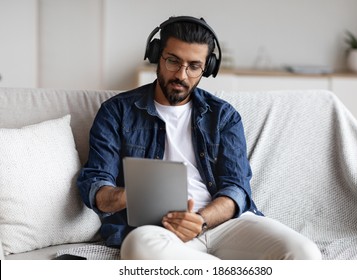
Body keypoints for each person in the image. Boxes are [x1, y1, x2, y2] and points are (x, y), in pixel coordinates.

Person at [77, 16, 322, 260]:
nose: (182, 75)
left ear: (208, 68)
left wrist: (201, 220)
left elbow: (236, 188)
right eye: (173, 61)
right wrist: (129, 195)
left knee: (305, 254)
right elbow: (96, 185)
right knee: (137, 248)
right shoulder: (116, 112)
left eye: (194, 66)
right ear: (156, 56)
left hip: (222, 224)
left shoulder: (224, 116)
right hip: (158, 230)